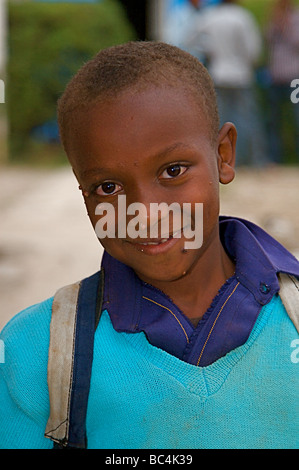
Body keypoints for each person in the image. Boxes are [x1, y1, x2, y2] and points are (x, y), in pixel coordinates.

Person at [0, 41, 298, 450]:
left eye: (173, 171)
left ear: (223, 155)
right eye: (109, 187)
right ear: (83, 191)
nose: (146, 212)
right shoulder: (34, 353)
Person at [182, 0, 268, 166]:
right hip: (241, 75)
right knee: (247, 119)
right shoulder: (242, 17)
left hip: (218, 73)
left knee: (220, 120)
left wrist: (208, 51)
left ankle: (223, 160)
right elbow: (253, 50)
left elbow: (189, 40)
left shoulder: (210, 16)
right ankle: (253, 160)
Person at [265, 0, 299, 163]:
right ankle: (274, 157)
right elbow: (267, 40)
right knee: (273, 119)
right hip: (276, 77)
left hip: (294, 78)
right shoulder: (274, 19)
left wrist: (286, 25)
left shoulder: (296, 18)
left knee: (296, 116)